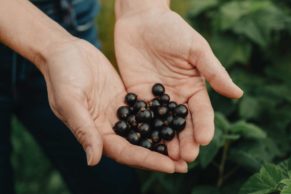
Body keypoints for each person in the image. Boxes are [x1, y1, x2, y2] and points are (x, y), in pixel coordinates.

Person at [0, 0, 243, 194]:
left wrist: (144, 9)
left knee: (113, 183)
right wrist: (50, 46)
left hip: (67, 23)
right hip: (56, 42)